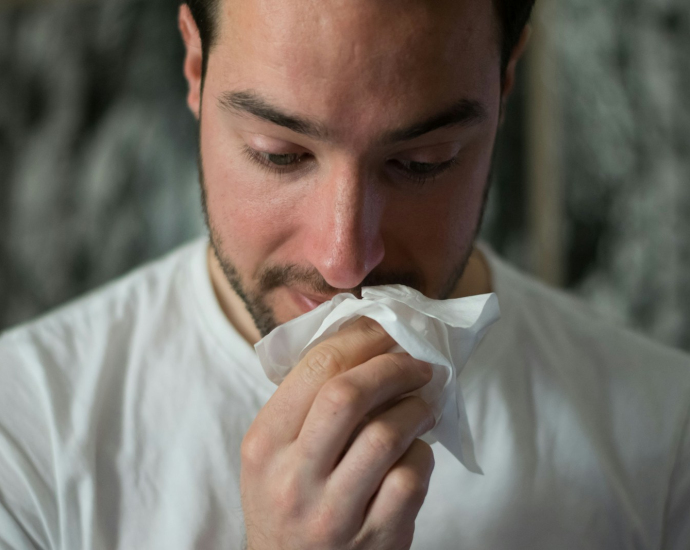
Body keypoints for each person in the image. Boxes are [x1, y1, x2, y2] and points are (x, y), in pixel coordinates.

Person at [1, 0, 689, 548]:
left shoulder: (667, 442)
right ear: (193, 65)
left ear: (504, 86)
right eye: (279, 154)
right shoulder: (24, 439)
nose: (344, 260)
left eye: (424, 162)